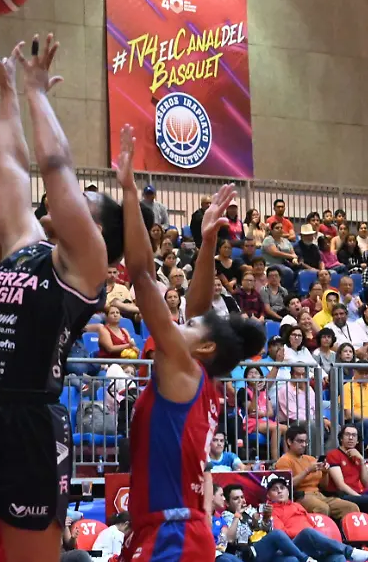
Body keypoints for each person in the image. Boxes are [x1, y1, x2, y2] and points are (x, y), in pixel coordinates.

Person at [0, 35, 130, 562]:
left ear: (98, 230)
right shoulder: (24, 249)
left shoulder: (86, 264)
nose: (71, 198)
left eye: (87, 200)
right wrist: (9, 94)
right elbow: (11, 168)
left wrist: (38, 94)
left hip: (29, 425)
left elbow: (56, 168)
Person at [112, 127, 265, 562]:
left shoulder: (184, 367)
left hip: (172, 534)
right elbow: (199, 312)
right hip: (168, 529)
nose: (180, 324)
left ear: (202, 349)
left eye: (190, 328)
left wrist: (128, 192)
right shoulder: (200, 377)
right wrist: (208, 242)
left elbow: (141, 276)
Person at [273, 424, 359, 518]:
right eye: (300, 441)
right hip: (301, 496)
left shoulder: (311, 459)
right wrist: (307, 470)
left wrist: (325, 472)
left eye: (306, 441)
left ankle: (343, 532)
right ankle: (319, 532)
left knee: (351, 507)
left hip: (319, 494)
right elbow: (287, 485)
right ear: (289, 441)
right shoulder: (284, 460)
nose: (304, 445)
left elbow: (323, 486)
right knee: (322, 508)